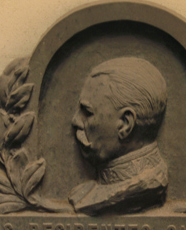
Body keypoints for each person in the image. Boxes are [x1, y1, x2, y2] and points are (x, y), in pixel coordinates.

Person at [69, 57, 168, 215]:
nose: (75, 121)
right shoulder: (83, 192)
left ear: (125, 124)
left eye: (87, 112)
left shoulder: (145, 186)